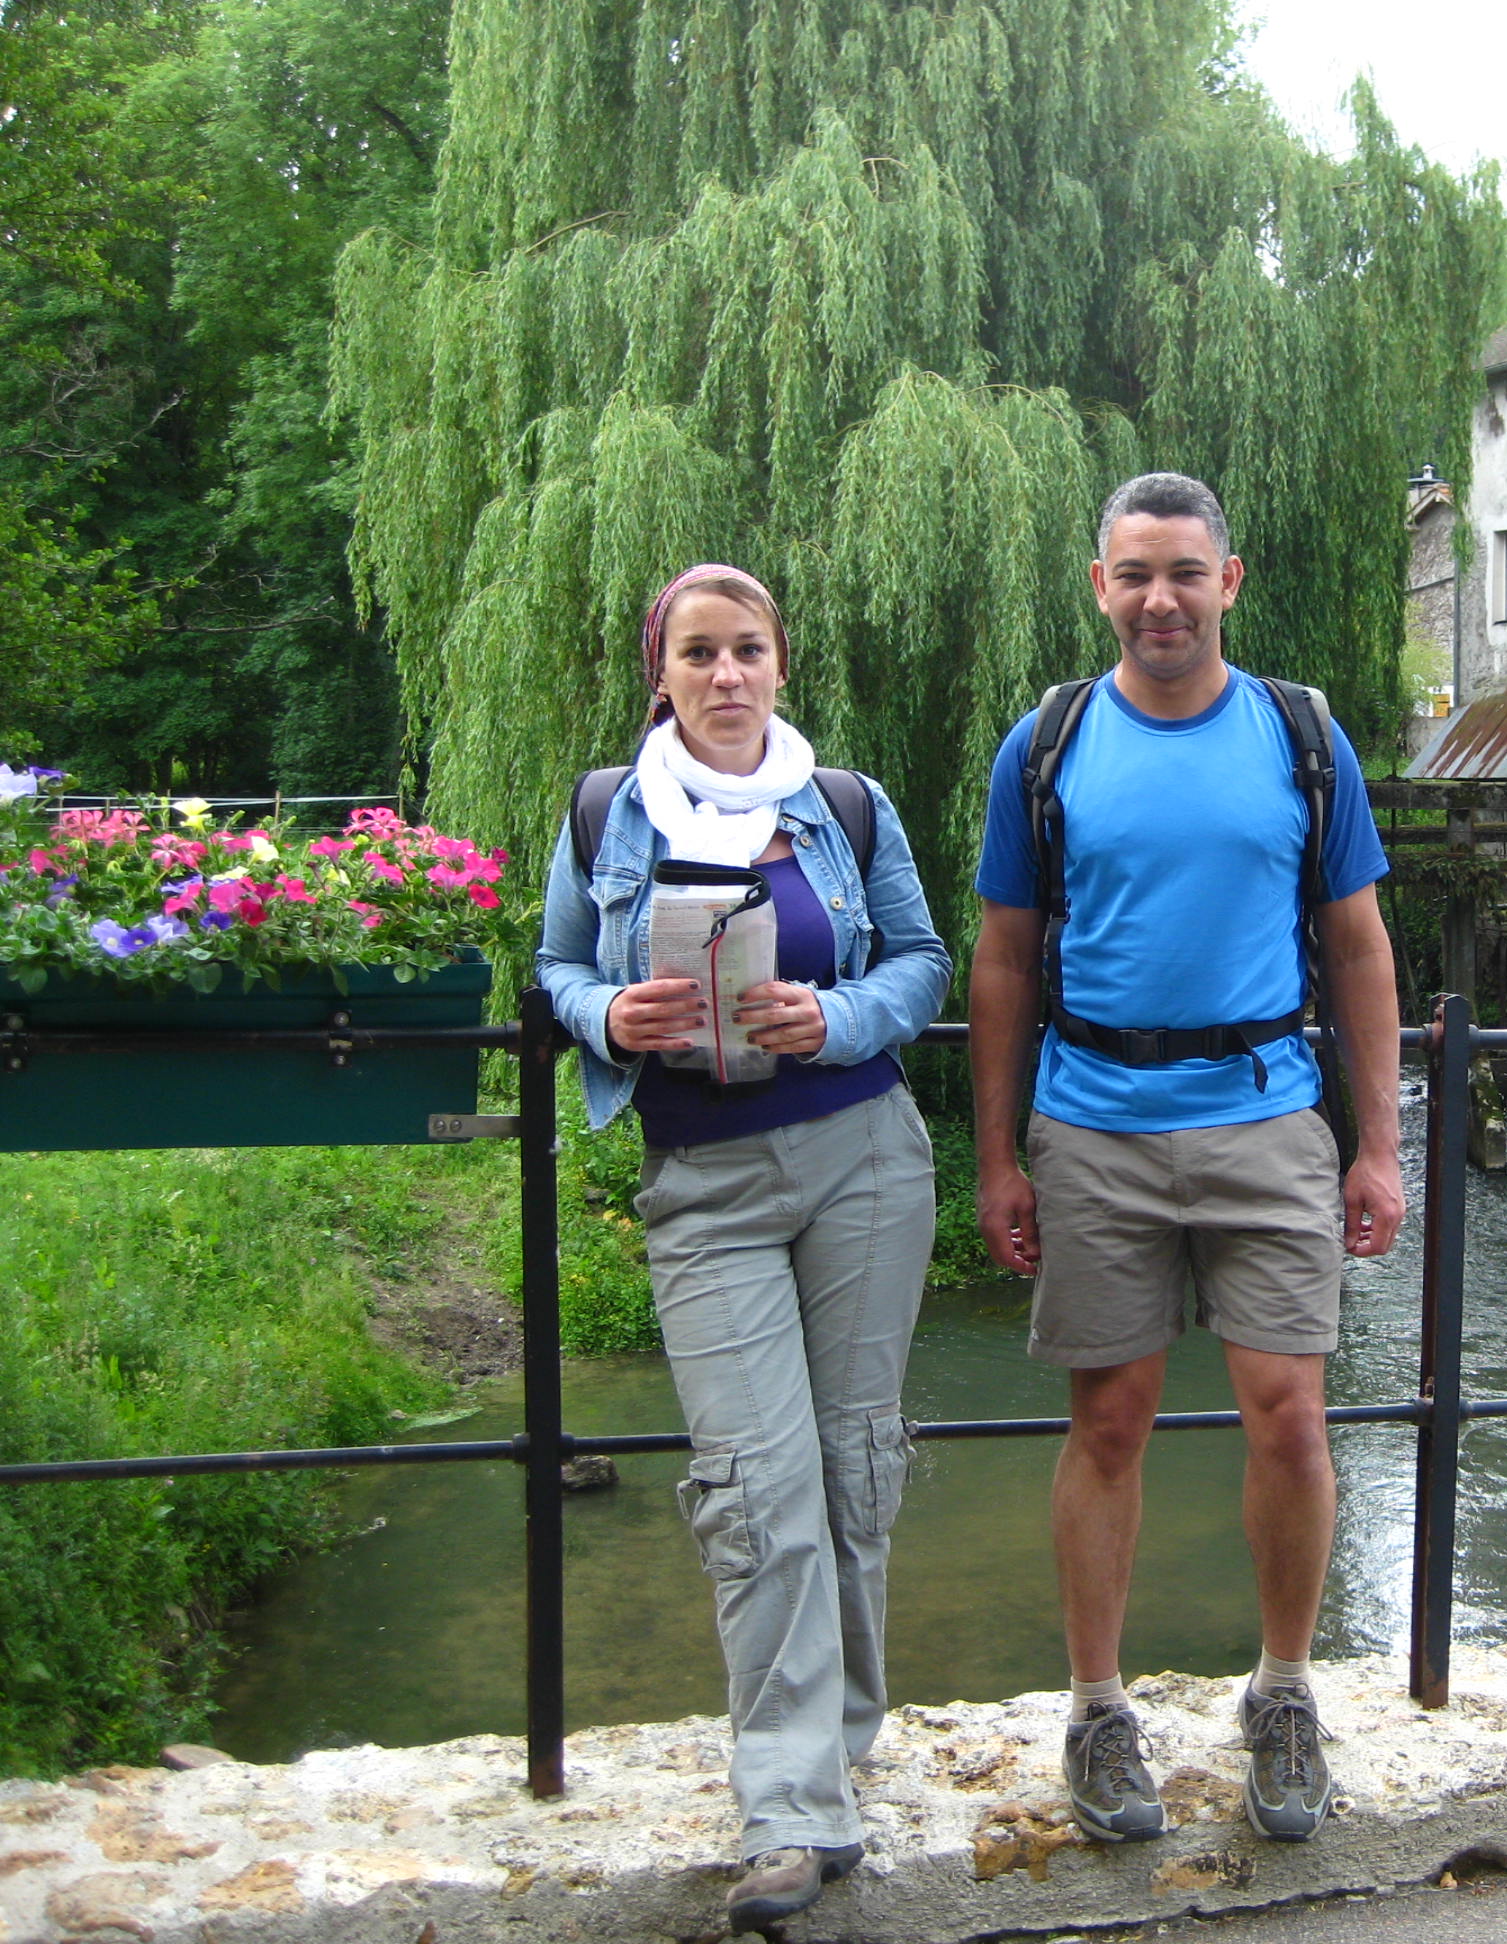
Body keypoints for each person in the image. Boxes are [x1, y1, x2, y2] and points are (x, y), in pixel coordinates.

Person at [968, 472, 1405, 1847]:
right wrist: (996, 1159)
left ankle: (1284, 1691)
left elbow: (1358, 947)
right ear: (1100, 586)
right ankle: (1097, 1709)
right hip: (1094, 1122)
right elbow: (1002, 960)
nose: (1162, 599)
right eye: (1136, 574)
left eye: (1185, 572)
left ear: (1230, 580)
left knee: (1291, 1416)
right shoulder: (1046, 746)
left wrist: (1380, 1144)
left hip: (1269, 1116)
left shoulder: (1301, 738)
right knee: (1109, 1422)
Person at [536, 564, 951, 1934]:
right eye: (699, 653)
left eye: (748, 651)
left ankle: (839, 1742)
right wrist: (609, 1017)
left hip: (865, 1163)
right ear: (661, 674)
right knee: (753, 1484)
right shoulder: (608, 812)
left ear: (780, 664)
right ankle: (786, 1810)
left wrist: (834, 1018)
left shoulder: (846, 805)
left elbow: (921, 962)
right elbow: (555, 968)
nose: (726, 675)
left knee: (852, 1466)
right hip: (702, 1182)